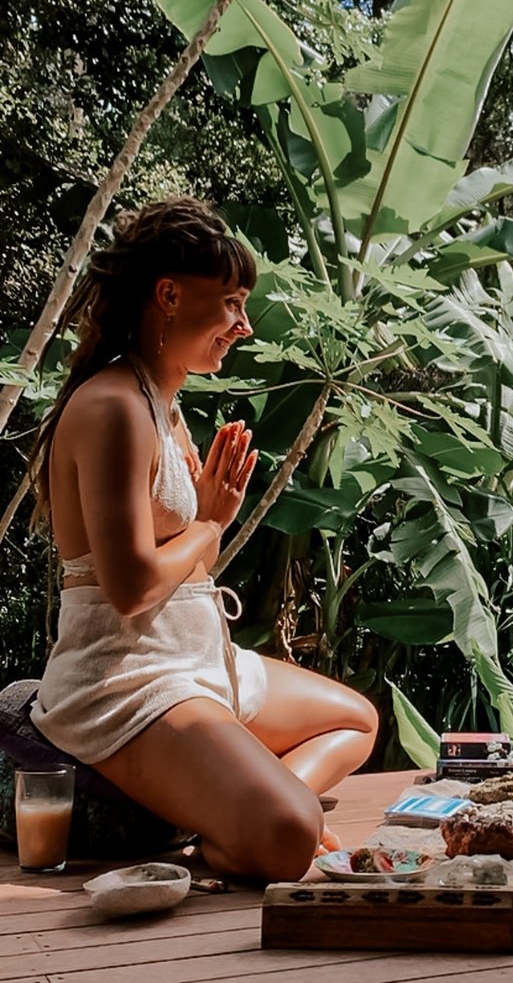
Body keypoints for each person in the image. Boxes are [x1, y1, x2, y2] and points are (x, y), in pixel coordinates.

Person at [27, 198, 378, 881]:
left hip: (197, 662)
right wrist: (211, 521)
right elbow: (129, 588)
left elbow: (192, 564)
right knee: (286, 840)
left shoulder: (165, 404)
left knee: (357, 721)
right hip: (128, 679)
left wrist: (208, 522)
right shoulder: (113, 408)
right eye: (231, 304)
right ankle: (247, 819)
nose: (243, 326)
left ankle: (249, 802)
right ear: (168, 295)